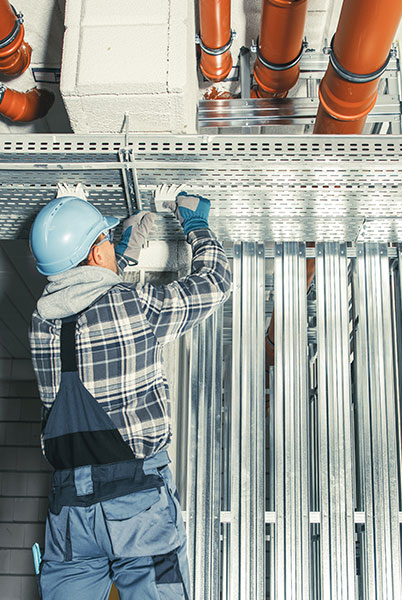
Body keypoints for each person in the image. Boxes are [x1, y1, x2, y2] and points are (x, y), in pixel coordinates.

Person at [28, 185, 231, 599]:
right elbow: (214, 281)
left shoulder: (40, 326)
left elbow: (84, 293)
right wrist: (195, 222)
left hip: (70, 517)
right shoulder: (133, 305)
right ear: (96, 253)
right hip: (137, 504)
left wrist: (112, 242)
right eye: (102, 241)